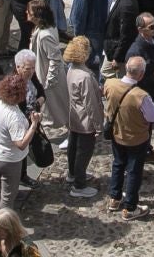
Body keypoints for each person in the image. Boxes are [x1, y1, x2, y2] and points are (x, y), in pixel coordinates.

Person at [105, 55, 154, 220]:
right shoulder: (141, 96)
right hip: (136, 138)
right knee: (134, 171)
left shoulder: (110, 84)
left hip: (117, 134)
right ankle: (130, 207)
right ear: (141, 74)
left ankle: (114, 198)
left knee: (118, 164)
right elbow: (153, 117)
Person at [0, 73, 39, 213]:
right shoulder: (14, 116)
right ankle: (4, 224)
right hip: (11, 159)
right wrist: (34, 124)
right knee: (8, 193)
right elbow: (21, 144)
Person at [61, 36, 102, 198]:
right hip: (85, 121)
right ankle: (79, 185)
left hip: (73, 117)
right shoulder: (84, 76)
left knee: (73, 147)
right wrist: (98, 126)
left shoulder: (71, 69)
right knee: (83, 152)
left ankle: (72, 174)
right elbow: (91, 104)